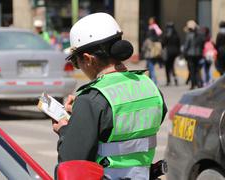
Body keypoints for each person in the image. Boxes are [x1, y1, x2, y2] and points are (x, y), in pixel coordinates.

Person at [52, 13, 167, 180]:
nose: (79, 67)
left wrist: (64, 129)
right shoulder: (150, 88)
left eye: (76, 62)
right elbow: (125, 120)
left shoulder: (91, 100)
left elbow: (71, 163)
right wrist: (84, 115)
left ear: (87, 59)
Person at [183, 20, 205, 89]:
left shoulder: (189, 35)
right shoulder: (200, 35)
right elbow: (202, 45)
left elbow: (186, 46)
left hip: (190, 55)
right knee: (197, 70)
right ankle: (199, 83)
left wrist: (184, 54)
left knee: (192, 70)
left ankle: (193, 85)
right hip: (198, 54)